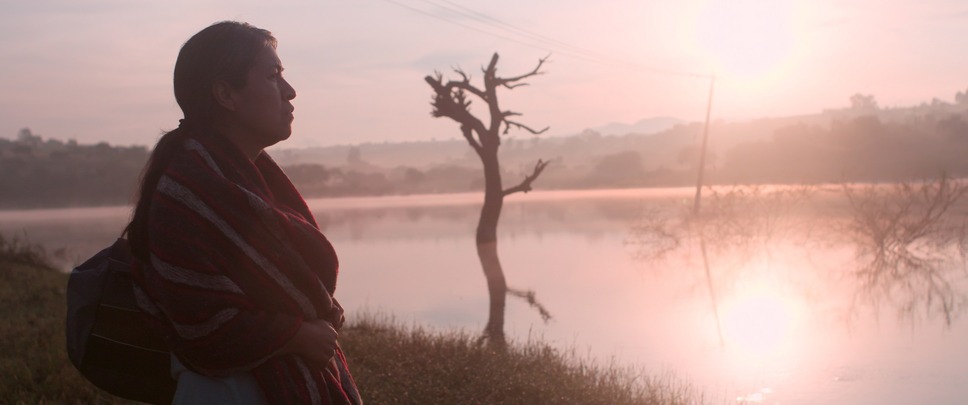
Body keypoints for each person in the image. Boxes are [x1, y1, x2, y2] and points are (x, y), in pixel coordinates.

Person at [126, 21, 361, 404]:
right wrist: (299, 335)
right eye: (273, 76)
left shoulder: (240, 179)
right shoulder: (189, 192)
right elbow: (201, 324)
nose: (290, 91)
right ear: (225, 93)